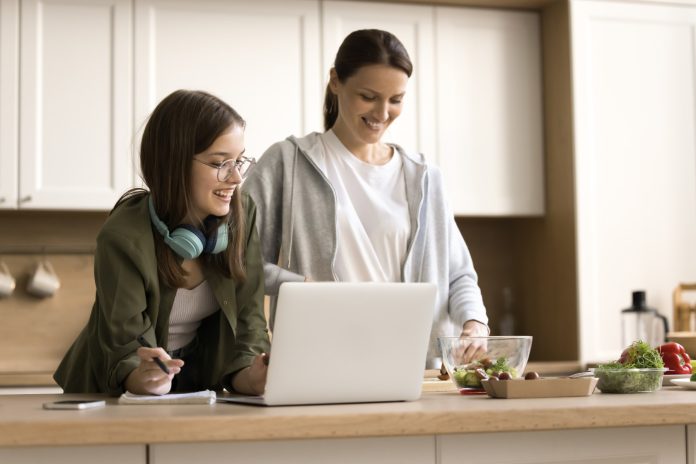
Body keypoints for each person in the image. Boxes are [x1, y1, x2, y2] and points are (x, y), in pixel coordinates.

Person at [243, 29, 488, 368]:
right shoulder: (288, 162)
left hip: (415, 370)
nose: (382, 112)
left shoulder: (424, 176)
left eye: (396, 99)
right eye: (369, 96)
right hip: (321, 364)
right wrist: (302, 287)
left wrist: (474, 323)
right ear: (335, 81)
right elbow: (236, 258)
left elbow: (459, 275)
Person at [54, 90, 270, 395]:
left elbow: (250, 319)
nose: (236, 177)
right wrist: (140, 375)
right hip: (108, 392)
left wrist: (252, 374)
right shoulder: (123, 236)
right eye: (220, 163)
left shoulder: (242, 214)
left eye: (240, 161)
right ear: (175, 163)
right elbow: (123, 344)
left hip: (196, 381)